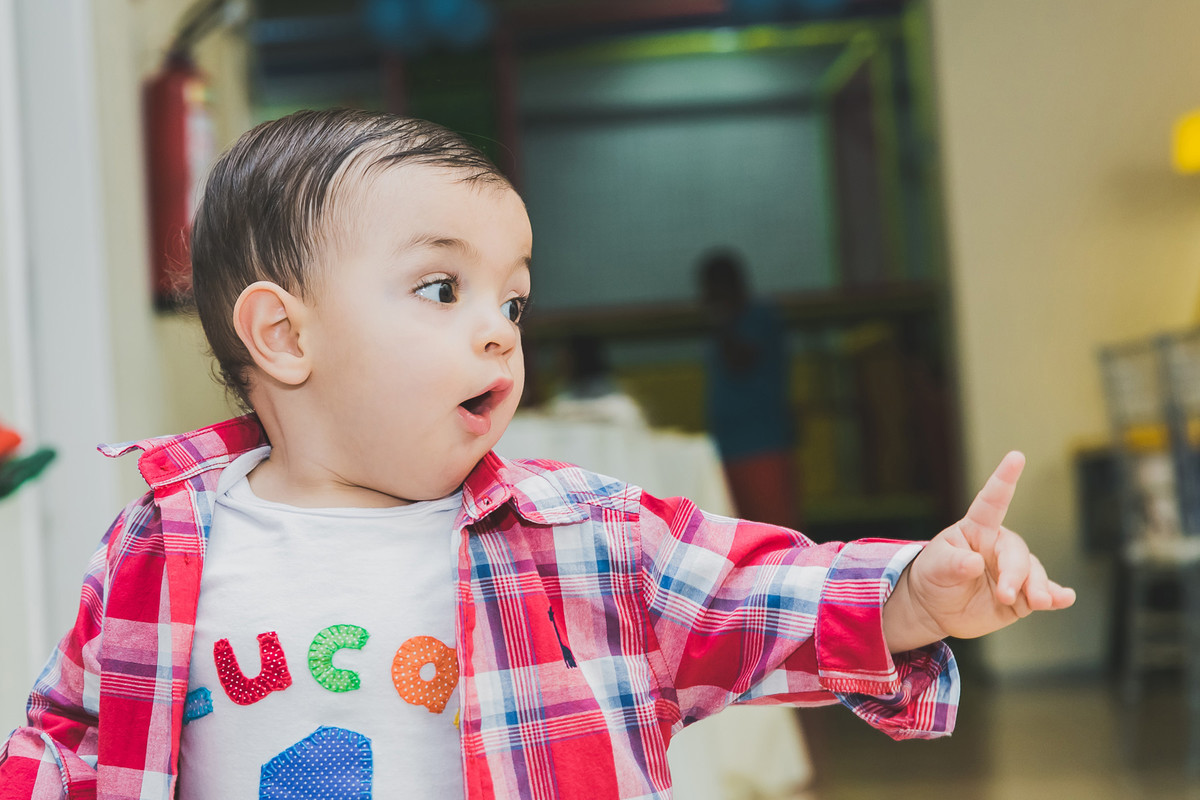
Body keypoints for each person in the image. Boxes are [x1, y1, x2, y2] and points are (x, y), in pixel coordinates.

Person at [0, 109, 1075, 800]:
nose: (498, 330)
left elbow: (753, 597)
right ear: (283, 336)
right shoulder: (161, 544)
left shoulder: (585, 535)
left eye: (512, 298)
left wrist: (911, 594)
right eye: (442, 288)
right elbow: (68, 737)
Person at [698, 249, 798, 528]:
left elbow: (740, 360)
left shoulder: (759, 316)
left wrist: (721, 320)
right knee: (738, 531)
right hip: (726, 446)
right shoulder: (724, 327)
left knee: (777, 530)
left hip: (763, 444)